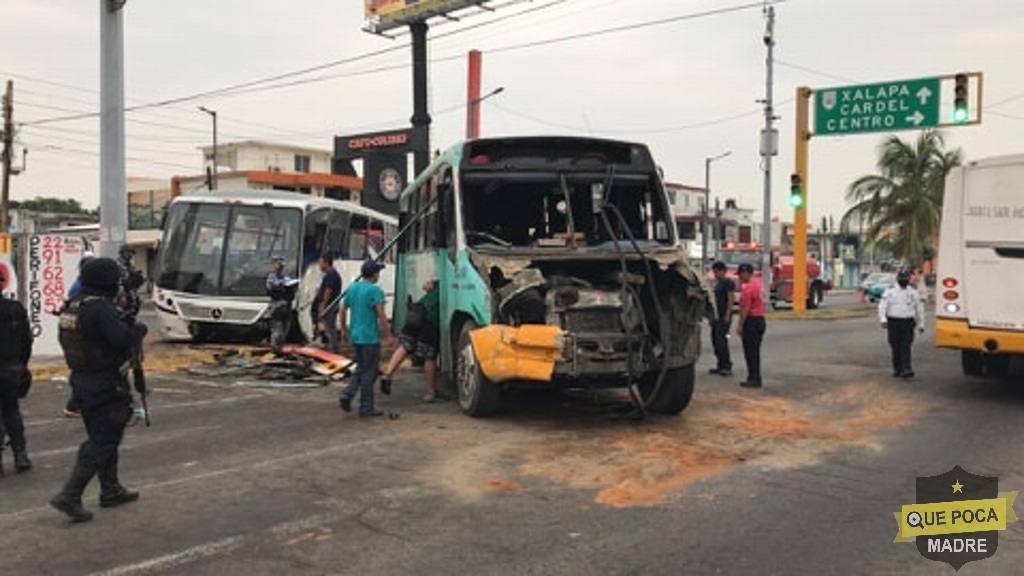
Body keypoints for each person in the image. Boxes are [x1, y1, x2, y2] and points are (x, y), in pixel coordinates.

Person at [51, 257, 147, 523]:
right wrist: (138, 330)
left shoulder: (74, 305)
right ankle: (70, 495)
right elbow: (120, 339)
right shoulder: (100, 308)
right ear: (107, 282)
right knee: (103, 440)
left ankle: (111, 489)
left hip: (82, 380)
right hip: (105, 383)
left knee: (103, 435)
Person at [339, 260, 393, 418]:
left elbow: (343, 309)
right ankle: (366, 407)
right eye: (378, 272)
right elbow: (381, 314)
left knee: (361, 368)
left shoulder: (352, 288)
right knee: (369, 372)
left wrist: (343, 329)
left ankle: (347, 393)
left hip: (356, 335)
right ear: (374, 274)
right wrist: (388, 334)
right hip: (369, 337)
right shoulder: (375, 291)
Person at [379, 279, 447, 403]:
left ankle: (388, 373)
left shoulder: (439, 282)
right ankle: (431, 393)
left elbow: (425, 285)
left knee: (405, 345)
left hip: (416, 313)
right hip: (431, 320)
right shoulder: (452, 283)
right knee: (429, 356)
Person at [0, 269, 34, 475]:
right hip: (12, 368)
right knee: (12, 410)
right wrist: (22, 365)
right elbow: (27, 341)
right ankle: (20, 454)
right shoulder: (16, 309)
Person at [63, 251, 96, 417]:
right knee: (85, 371)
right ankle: (74, 404)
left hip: (76, 334)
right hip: (81, 335)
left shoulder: (80, 283)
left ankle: (76, 404)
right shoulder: (82, 285)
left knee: (83, 371)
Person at [878, 268, 925, 378]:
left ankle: (906, 368)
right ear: (897, 278)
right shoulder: (890, 291)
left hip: (908, 322)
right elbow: (882, 306)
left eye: (906, 278)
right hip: (894, 322)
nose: (904, 280)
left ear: (909, 279)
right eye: (902, 278)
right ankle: (897, 368)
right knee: (895, 345)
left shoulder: (913, 292)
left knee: (906, 345)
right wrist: (883, 319)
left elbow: (919, 309)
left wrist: (921, 324)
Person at [735, 263, 766, 388]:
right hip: (760, 319)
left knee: (750, 352)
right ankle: (754, 376)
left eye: (740, 274)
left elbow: (745, 308)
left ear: (746, 273)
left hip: (751, 321)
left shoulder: (748, 288)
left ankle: (754, 378)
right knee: (755, 351)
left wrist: (740, 325)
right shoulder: (758, 284)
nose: (739, 277)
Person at [708, 261, 735, 377]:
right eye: (714, 272)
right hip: (716, 316)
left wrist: (728, 314)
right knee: (715, 340)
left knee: (721, 341)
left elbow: (730, 299)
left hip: (723, 316)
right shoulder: (718, 283)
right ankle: (720, 364)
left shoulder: (728, 283)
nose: (715, 274)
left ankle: (726, 365)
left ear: (723, 271)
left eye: (716, 272)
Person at [266, 256, 297, 355]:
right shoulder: (271, 277)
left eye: (281, 265)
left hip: (286, 308)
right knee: (277, 331)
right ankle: (275, 349)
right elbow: (272, 289)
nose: (280, 267)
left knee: (284, 330)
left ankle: (280, 348)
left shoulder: (284, 277)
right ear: (273, 264)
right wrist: (281, 287)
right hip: (277, 308)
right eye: (278, 264)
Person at [315, 253, 342, 353]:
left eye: (320, 262)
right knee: (329, 328)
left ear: (326, 262)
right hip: (331, 305)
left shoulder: (331, 274)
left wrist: (323, 305)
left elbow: (328, 291)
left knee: (330, 329)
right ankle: (332, 347)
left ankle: (333, 350)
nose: (319, 265)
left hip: (330, 306)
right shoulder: (331, 274)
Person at [117, 244, 144, 321]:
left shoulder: (130, 265)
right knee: (123, 318)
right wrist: (121, 295)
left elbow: (132, 281)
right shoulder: (118, 265)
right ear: (122, 253)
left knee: (131, 316)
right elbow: (119, 281)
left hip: (131, 293)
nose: (130, 255)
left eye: (132, 253)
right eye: (128, 252)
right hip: (124, 295)